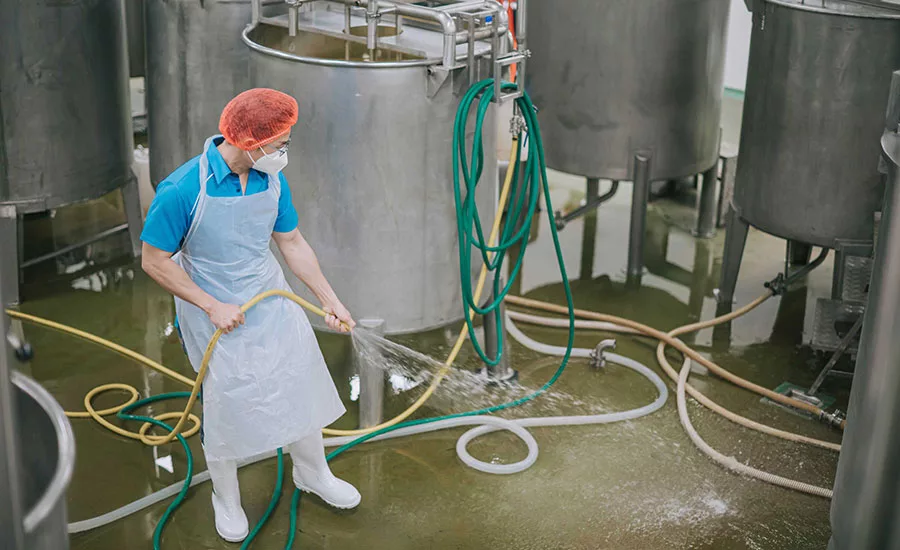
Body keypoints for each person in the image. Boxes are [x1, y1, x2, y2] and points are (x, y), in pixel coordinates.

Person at [140, 88, 359, 543]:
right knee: (227, 396)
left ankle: (312, 472)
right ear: (250, 143)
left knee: (296, 376)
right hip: (210, 302)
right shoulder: (183, 188)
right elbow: (155, 261)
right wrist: (211, 306)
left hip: (266, 290)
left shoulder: (271, 179)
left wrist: (329, 299)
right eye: (279, 144)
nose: (284, 152)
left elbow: (292, 243)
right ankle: (226, 496)